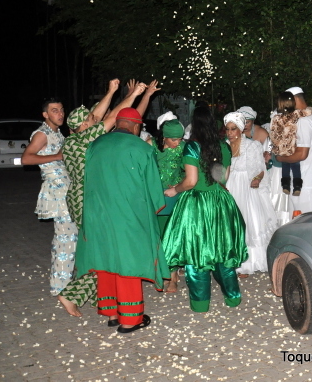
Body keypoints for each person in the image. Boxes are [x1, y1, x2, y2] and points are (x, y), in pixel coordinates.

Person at [74, 107, 169, 333]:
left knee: (106, 259)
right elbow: (154, 191)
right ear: (136, 127)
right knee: (128, 261)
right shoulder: (141, 148)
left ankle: (112, 313)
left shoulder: (95, 145)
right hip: (128, 215)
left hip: (98, 213)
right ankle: (130, 319)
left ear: (118, 123)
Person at [57, 79, 145, 316]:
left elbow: (97, 115)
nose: (94, 119)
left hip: (79, 197)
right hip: (90, 200)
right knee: (104, 250)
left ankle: (104, 299)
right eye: (90, 119)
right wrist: (133, 95)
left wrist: (112, 91)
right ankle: (71, 294)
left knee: (96, 248)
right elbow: (114, 117)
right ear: (84, 126)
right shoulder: (85, 139)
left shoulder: (72, 140)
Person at [162, 106, 248, 313]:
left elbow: (191, 181)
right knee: (222, 251)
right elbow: (223, 178)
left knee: (197, 253)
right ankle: (233, 298)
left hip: (197, 204)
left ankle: (201, 304)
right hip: (220, 203)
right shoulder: (224, 146)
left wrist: (175, 189)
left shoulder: (192, 147)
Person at [22, 97, 72, 298]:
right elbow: (26, 158)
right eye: (54, 110)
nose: (60, 114)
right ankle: (61, 289)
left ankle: (64, 283)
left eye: (61, 110)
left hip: (65, 190)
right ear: (45, 114)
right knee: (65, 240)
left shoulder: (57, 132)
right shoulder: (42, 134)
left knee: (68, 239)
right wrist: (57, 156)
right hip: (57, 192)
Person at [224, 112, 277, 275]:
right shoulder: (224, 145)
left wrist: (257, 179)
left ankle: (248, 263)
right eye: (227, 129)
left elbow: (261, 169)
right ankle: (231, 260)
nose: (230, 133)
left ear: (240, 129)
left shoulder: (252, 145)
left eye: (233, 129)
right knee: (229, 222)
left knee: (249, 222)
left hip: (247, 187)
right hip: (230, 186)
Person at [148, 111, 187, 293]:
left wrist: (179, 185)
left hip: (175, 196)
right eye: (174, 139)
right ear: (164, 137)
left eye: (180, 139)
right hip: (155, 196)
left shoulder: (184, 147)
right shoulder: (151, 145)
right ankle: (159, 273)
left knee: (172, 236)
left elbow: (191, 171)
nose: (177, 143)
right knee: (157, 236)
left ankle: (172, 277)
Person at [276, 87, 312, 214]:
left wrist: (280, 158)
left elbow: (302, 154)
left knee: (304, 221)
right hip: (306, 180)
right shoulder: (311, 117)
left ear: (294, 99)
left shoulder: (304, 121)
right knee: (298, 219)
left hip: (305, 181)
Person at [270, 91, 312, 195]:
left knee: (285, 166)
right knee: (295, 166)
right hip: (292, 146)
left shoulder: (276, 118)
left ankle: (285, 185)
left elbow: (272, 133)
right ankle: (297, 187)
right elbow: (308, 112)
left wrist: (276, 146)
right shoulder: (295, 115)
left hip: (281, 148)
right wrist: (311, 109)